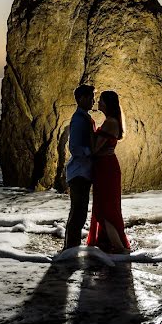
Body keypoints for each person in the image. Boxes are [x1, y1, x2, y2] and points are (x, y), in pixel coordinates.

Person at [86, 90, 130, 253]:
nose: (98, 102)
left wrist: (90, 129)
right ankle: (111, 243)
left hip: (106, 168)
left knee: (106, 209)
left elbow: (96, 149)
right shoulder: (109, 121)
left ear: (108, 104)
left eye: (101, 100)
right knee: (105, 207)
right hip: (104, 167)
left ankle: (119, 247)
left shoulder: (110, 122)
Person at [63, 84, 95, 250]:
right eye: (90, 98)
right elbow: (74, 148)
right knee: (78, 213)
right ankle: (70, 248)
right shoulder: (78, 119)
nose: (93, 101)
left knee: (80, 212)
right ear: (80, 99)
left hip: (82, 172)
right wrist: (92, 151)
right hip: (78, 173)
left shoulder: (84, 117)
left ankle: (71, 247)